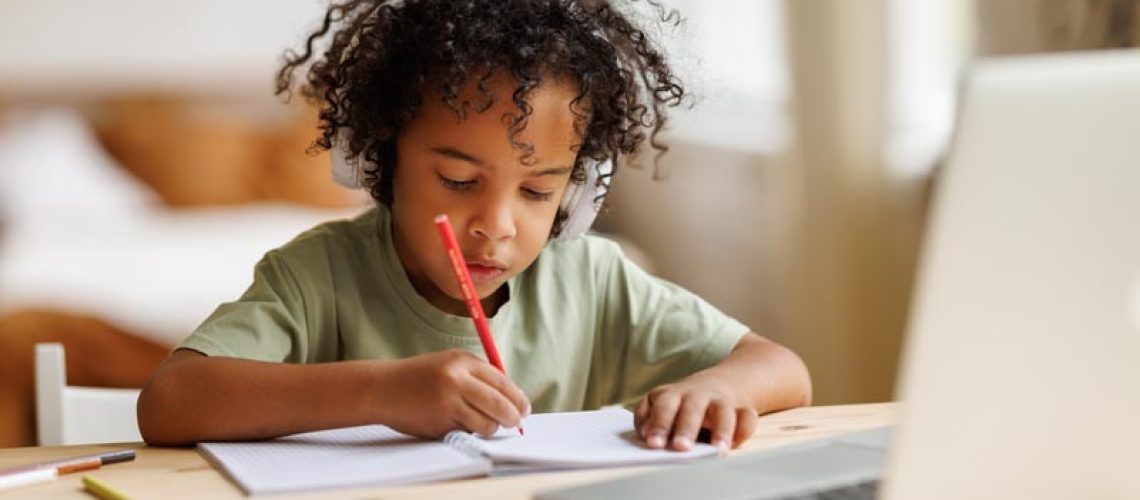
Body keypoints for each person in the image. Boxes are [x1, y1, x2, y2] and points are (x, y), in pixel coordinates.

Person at [137, 0, 812, 452]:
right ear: (382, 156)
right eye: (459, 182)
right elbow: (171, 401)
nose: (495, 226)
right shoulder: (317, 276)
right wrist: (382, 390)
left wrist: (716, 388)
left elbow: (780, 369)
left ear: (578, 192)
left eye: (538, 190)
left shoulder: (595, 281)